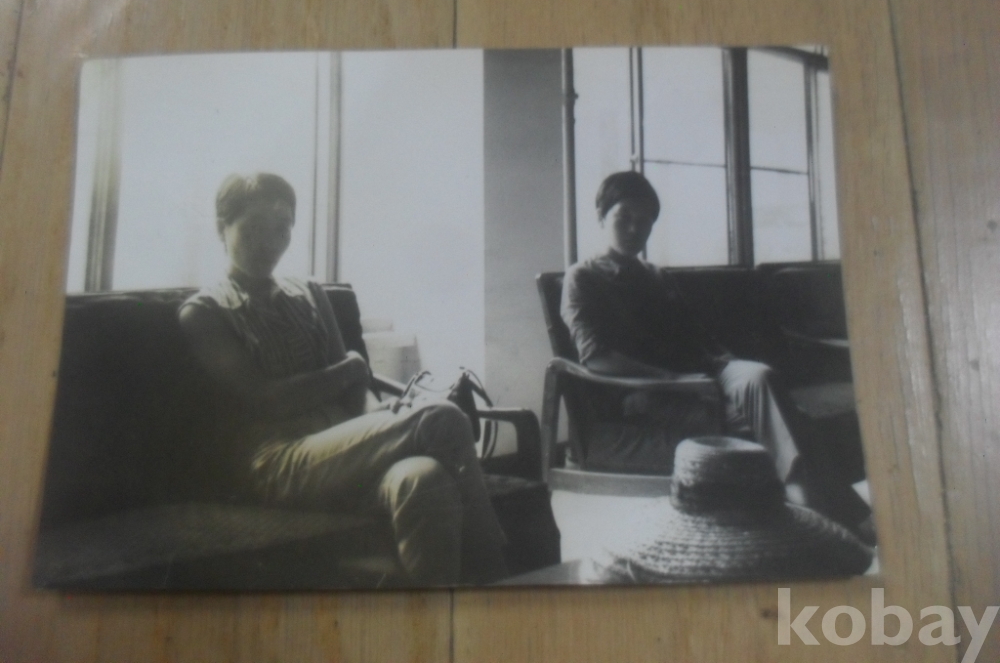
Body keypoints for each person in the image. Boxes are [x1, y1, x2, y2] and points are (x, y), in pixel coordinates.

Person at [178, 172, 507, 586]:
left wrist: (379, 412)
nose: (269, 242)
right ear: (221, 228)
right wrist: (349, 369)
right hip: (279, 462)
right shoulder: (204, 312)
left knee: (425, 479)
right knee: (441, 418)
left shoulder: (310, 293)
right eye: (254, 227)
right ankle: (502, 581)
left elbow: (356, 386)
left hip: (346, 452)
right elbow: (267, 401)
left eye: (282, 228)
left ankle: (430, 619)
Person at [561, 170, 871, 537]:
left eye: (644, 221)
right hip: (651, 393)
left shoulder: (656, 276)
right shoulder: (582, 278)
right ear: (601, 217)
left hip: (704, 375)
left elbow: (696, 337)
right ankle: (826, 506)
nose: (634, 228)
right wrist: (675, 380)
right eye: (624, 216)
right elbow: (596, 357)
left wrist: (725, 364)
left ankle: (808, 500)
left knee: (759, 376)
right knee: (781, 417)